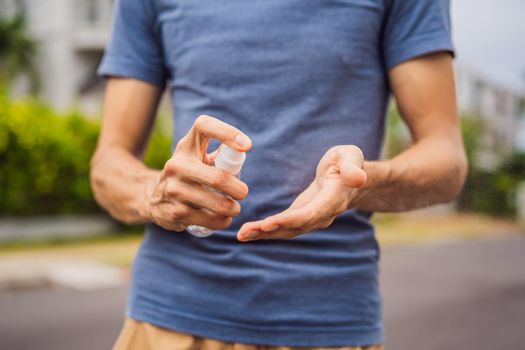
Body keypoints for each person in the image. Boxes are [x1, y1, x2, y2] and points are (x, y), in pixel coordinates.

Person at [90, 0, 467, 349]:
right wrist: (154, 192)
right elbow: (107, 164)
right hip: (166, 325)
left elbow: (446, 160)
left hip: (325, 325)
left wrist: (360, 182)